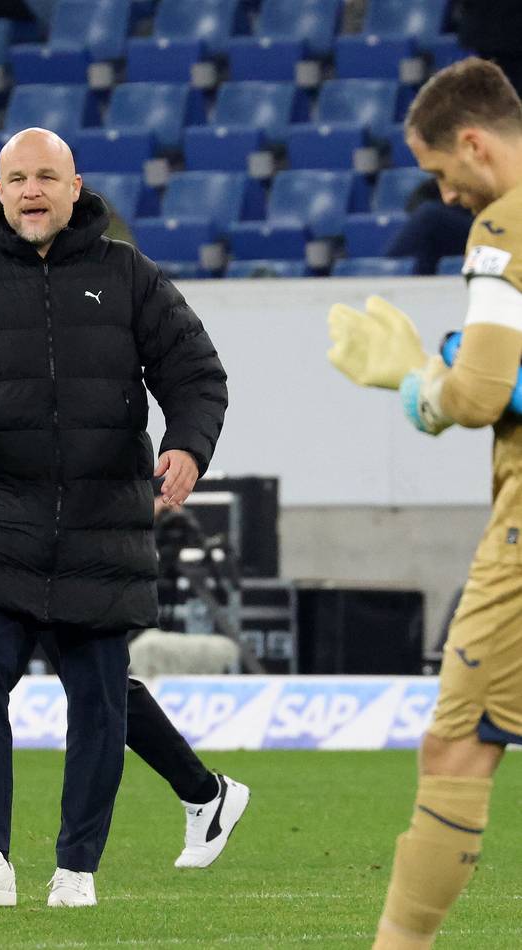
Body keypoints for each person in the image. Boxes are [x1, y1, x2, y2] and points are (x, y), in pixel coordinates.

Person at [0, 127, 233, 908]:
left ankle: (76, 868)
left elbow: (196, 374)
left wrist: (188, 448)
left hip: (102, 523)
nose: (32, 191)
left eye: (46, 177)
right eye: (18, 177)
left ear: (76, 186)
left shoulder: (130, 276)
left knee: (96, 699)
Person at [327, 58, 522, 950]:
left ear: (476, 143)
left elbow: (480, 397)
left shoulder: (503, 224)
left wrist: (417, 381)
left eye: (443, 171)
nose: (444, 195)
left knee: (454, 748)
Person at [386, 178, 472, 275]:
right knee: (425, 243)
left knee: (428, 215)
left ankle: (387, 275)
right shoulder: (441, 182)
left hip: (484, 226)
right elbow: (419, 198)